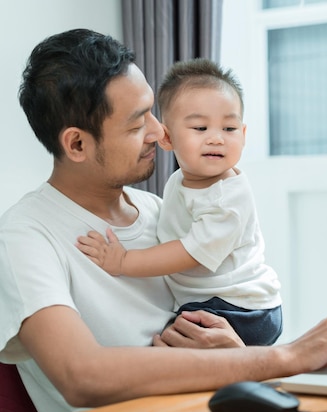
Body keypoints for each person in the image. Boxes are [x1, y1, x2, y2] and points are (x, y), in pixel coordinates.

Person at [0, 28, 327, 412]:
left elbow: (224, 344)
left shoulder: (161, 209)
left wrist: (240, 356)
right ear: (77, 144)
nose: (158, 131)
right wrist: (286, 356)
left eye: (152, 111)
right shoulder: (26, 235)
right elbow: (81, 375)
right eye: (136, 125)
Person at [77, 59, 282, 346]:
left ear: (244, 135)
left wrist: (123, 261)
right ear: (167, 137)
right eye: (200, 128)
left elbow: (189, 252)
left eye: (229, 128)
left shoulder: (229, 198)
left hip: (242, 308)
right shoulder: (179, 180)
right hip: (212, 300)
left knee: (169, 342)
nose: (216, 139)